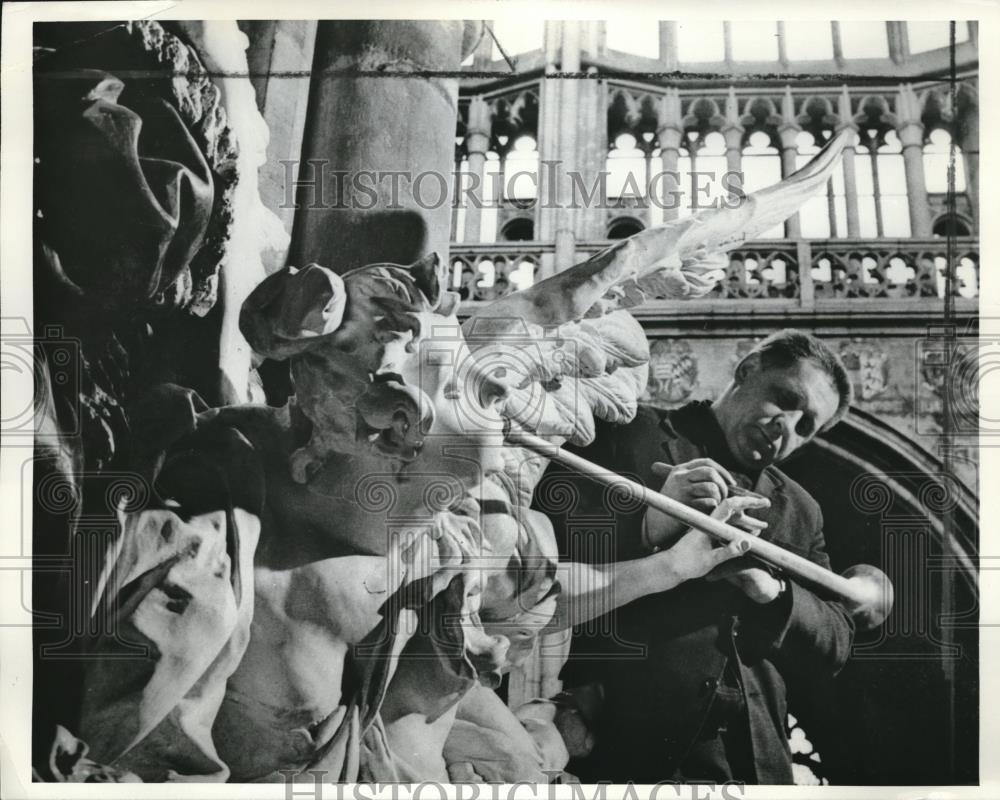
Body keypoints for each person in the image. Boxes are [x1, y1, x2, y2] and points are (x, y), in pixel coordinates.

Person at [543, 329, 856, 784]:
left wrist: (771, 591)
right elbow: (541, 548)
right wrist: (651, 521)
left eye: (805, 425)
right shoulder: (629, 431)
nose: (786, 426)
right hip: (627, 746)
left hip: (756, 765)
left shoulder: (802, 510)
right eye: (785, 399)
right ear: (747, 370)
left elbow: (836, 640)